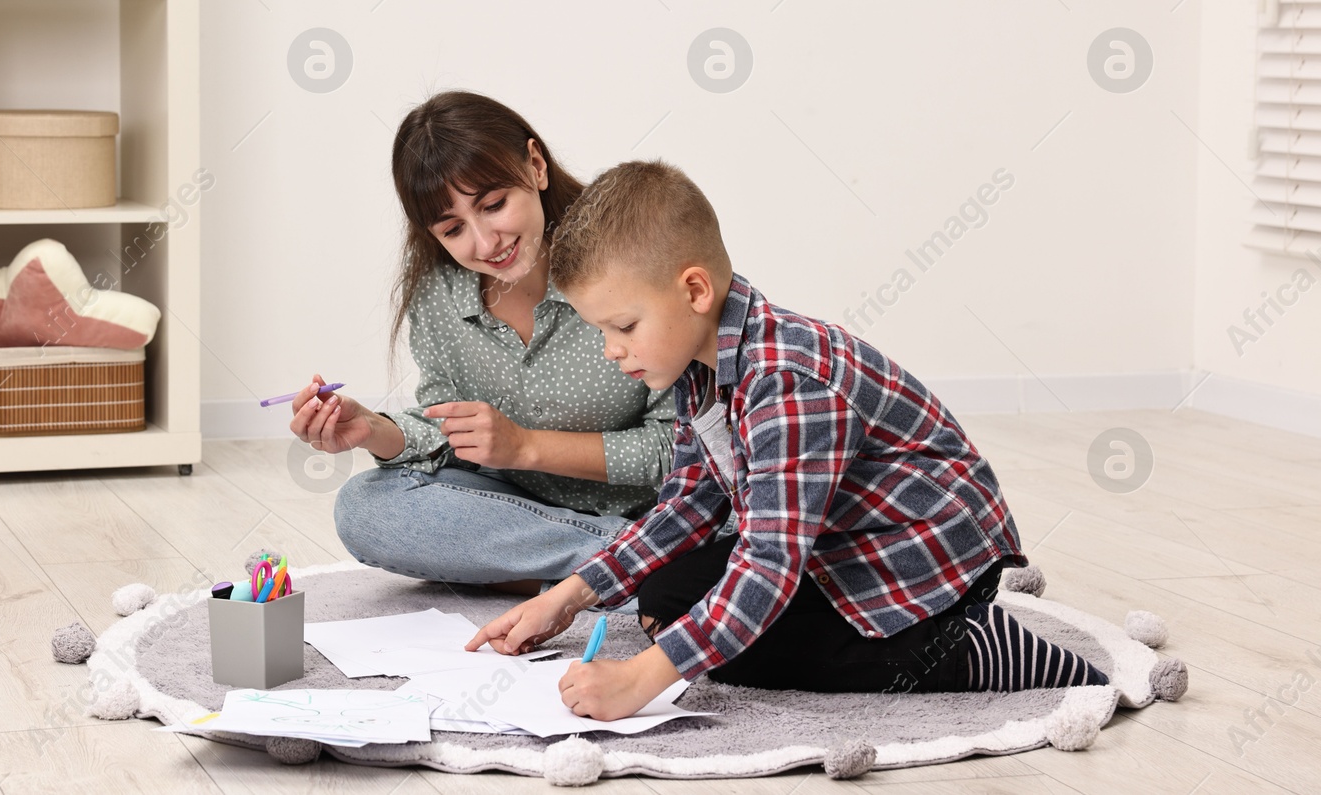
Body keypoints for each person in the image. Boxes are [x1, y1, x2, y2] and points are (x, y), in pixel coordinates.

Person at [468, 159, 1109, 719]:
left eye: (624, 326)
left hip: (925, 558)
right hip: (839, 543)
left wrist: (644, 677)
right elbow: (688, 506)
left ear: (693, 290)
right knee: (667, 594)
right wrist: (568, 597)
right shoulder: (697, 368)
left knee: (745, 648)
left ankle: (963, 648)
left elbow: (770, 564)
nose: (612, 352)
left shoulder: (788, 381)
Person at [286, 92, 675, 589]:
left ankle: (562, 569)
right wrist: (374, 429)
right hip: (512, 505)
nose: (486, 243)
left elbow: (675, 449)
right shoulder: (438, 295)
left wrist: (527, 447)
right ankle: (632, 564)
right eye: (453, 229)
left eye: (493, 205)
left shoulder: (625, 263)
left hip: (644, 503)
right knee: (364, 507)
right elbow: (454, 436)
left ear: (535, 166)